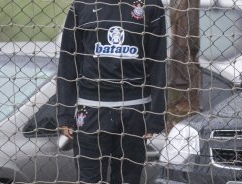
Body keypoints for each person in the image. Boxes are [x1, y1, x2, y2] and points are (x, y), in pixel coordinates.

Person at [57, 0, 167, 183]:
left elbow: (158, 61)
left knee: (127, 179)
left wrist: (156, 115)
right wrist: (65, 113)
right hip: (90, 110)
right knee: (89, 179)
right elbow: (68, 60)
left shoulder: (151, 4)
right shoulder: (81, 5)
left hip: (135, 109)